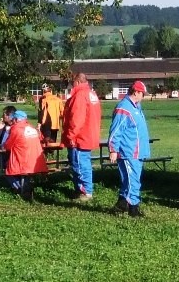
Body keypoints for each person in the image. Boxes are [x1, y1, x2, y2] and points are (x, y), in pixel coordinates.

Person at [108, 80, 150, 217]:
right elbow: (116, 130)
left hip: (138, 151)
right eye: (142, 94)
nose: (143, 97)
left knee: (130, 179)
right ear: (136, 92)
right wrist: (113, 149)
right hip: (129, 151)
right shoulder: (124, 108)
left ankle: (121, 204)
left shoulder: (136, 107)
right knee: (133, 180)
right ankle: (133, 208)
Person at [61, 72, 101, 200]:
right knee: (85, 163)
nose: (72, 85)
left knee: (79, 165)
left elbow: (76, 119)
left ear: (77, 82)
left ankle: (85, 191)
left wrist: (71, 136)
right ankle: (83, 190)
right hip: (89, 134)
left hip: (79, 137)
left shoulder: (79, 95)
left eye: (73, 82)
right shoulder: (92, 94)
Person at [0, 110, 48, 201]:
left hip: (23, 160)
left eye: (13, 119)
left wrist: (3, 146)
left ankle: (21, 189)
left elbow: (8, 146)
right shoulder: (32, 128)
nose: (12, 121)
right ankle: (26, 187)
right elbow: (41, 138)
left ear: (16, 119)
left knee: (6, 170)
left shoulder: (15, 129)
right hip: (37, 162)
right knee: (22, 171)